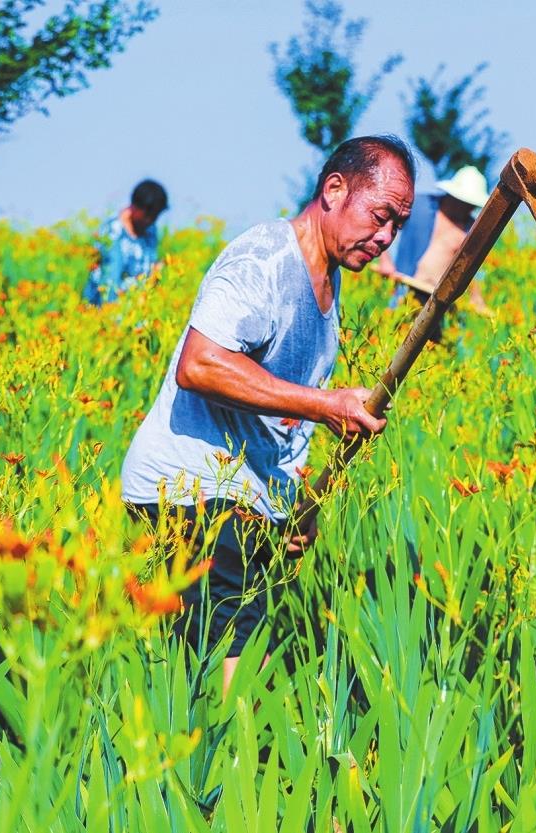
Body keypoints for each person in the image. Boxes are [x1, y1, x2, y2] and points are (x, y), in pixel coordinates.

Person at [120, 135, 415, 691]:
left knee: (199, 678)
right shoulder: (265, 262)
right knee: (237, 680)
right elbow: (201, 364)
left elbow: (280, 419)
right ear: (334, 190)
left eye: (397, 225)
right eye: (380, 216)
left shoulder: (327, 285)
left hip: (235, 499)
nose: (385, 237)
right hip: (190, 492)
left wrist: (295, 508)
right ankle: (243, 773)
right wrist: (327, 404)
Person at [371, 164, 492, 316]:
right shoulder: (420, 206)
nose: (466, 208)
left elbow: (473, 269)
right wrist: (385, 260)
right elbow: (383, 221)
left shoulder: (471, 230)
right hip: (404, 291)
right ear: (451, 195)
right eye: (463, 202)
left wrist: (477, 299)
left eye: (471, 204)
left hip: (440, 306)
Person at [82, 178, 168, 306]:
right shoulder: (113, 232)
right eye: (148, 215)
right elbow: (110, 281)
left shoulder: (150, 231)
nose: (150, 221)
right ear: (135, 206)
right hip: (104, 312)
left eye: (155, 216)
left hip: (134, 313)